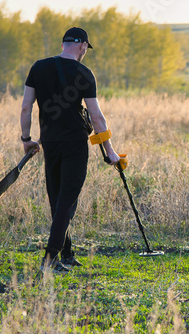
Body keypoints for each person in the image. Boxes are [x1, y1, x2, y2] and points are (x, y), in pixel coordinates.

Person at [20, 27, 120, 274]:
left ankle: (67, 253)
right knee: (66, 202)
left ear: (64, 43)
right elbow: (96, 117)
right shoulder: (84, 73)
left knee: (57, 200)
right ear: (82, 45)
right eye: (86, 47)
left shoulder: (38, 67)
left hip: (49, 143)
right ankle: (50, 260)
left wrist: (26, 139)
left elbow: (25, 107)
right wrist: (110, 151)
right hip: (75, 144)